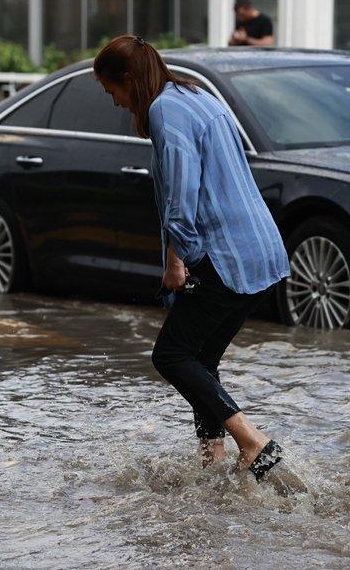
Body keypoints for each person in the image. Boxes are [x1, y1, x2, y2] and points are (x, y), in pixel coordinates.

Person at [94, 34, 289, 480]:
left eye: (113, 92)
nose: (117, 104)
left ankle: (252, 441)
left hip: (224, 256)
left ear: (128, 79)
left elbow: (182, 195)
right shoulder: (194, 94)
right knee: (201, 358)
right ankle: (212, 465)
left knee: (171, 355)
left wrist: (177, 259)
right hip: (261, 252)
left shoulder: (167, 111)